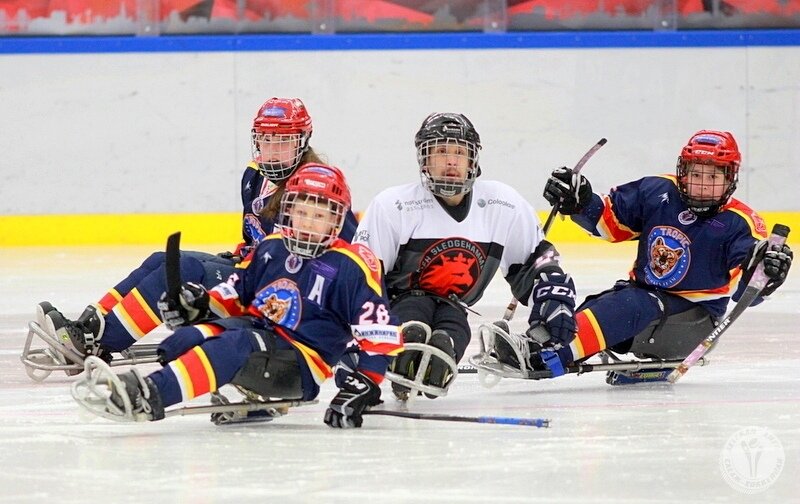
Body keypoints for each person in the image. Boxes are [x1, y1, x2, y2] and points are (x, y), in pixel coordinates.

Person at [28, 97, 358, 375]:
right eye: (266, 141)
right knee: (162, 260)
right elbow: (254, 239)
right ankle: (90, 327)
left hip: (280, 299)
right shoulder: (254, 177)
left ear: (302, 142)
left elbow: (345, 262)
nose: (272, 152)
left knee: (185, 269)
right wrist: (242, 256)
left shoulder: (314, 191)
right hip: (252, 276)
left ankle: (104, 340)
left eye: (283, 143)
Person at [75, 163, 402, 428]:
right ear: (288, 210)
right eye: (302, 212)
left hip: (299, 363)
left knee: (237, 345)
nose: (308, 223)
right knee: (183, 339)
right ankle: (245, 402)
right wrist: (199, 302)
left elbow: (379, 334)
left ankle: (149, 395)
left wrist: (365, 384)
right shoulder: (271, 246)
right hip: (262, 333)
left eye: (319, 216)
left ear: (336, 219)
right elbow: (237, 291)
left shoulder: (352, 265)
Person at [493, 129, 793, 384]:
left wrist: (768, 275)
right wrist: (580, 201)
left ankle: (543, 358)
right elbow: (610, 221)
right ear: (682, 171)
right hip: (645, 304)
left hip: (693, 321)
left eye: (712, 176)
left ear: (731, 178)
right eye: (696, 173)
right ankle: (541, 342)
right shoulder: (659, 190)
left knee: (629, 304)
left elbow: (747, 294)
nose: (702, 185)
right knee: (600, 307)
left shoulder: (741, 223)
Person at [343, 112, 577, 399]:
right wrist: (366, 341)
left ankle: (445, 350)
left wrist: (552, 294)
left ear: (472, 161)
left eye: (459, 152)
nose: (451, 161)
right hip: (398, 305)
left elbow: (535, 262)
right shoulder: (394, 206)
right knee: (413, 318)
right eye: (441, 151)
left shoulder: (502, 204)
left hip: (454, 306)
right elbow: (363, 278)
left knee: (453, 330)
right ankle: (403, 343)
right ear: (424, 160)